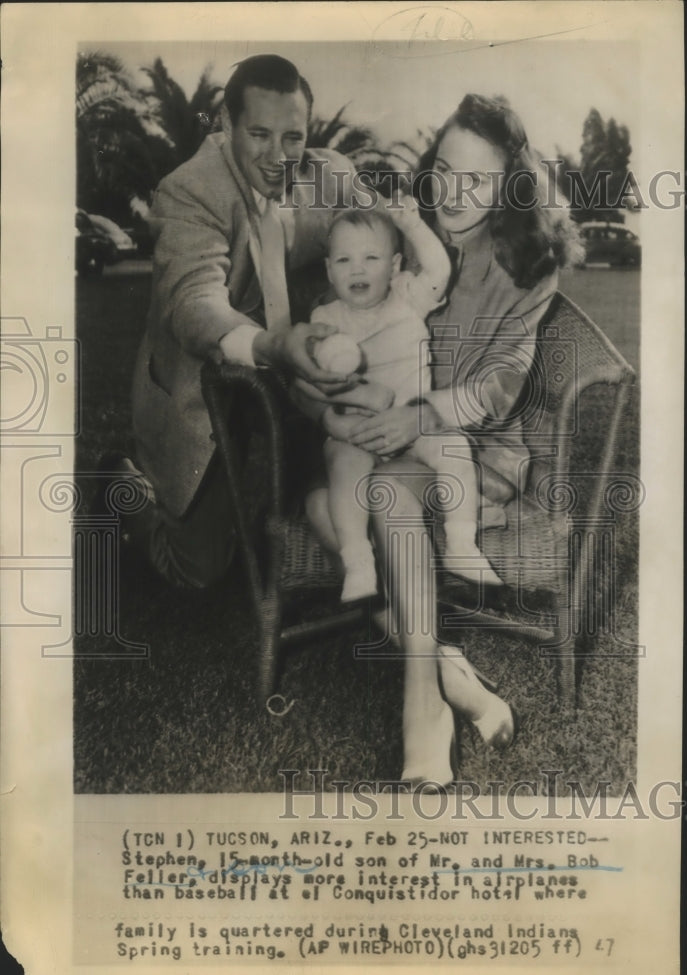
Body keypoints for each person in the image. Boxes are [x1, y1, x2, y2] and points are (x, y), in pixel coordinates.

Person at [305, 94, 582, 785]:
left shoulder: (529, 261)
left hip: (474, 451)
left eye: (478, 181)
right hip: (378, 435)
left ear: (509, 185)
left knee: (384, 495)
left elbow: (499, 390)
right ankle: (444, 669)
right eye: (444, 172)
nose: (454, 194)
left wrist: (418, 418)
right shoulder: (398, 232)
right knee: (324, 506)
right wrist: (335, 406)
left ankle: (419, 709)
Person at [106, 54, 355, 588]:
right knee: (198, 569)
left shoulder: (331, 175)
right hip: (205, 378)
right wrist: (270, 346)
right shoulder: (191, 188)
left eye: (293, 137)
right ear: (225, 124)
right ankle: (117, 485)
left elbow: (384, 230)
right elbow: (193, 305)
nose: (277, 156)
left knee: (333, 476)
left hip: (293, 366)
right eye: (259, 134)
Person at [294, 199, 502, 604]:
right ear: (329, 271)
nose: (356, 268)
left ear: (393, 268)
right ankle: (357, 561)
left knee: (454, 446)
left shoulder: (407, 297)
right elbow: (305, 380)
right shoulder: (326, 318)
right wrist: (341, 416)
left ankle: (462, 545)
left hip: (414, 425)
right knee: (342, 461)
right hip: (359, 431)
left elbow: (439, 270)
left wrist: (411, 224)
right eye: (343, 260)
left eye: (371, 258)